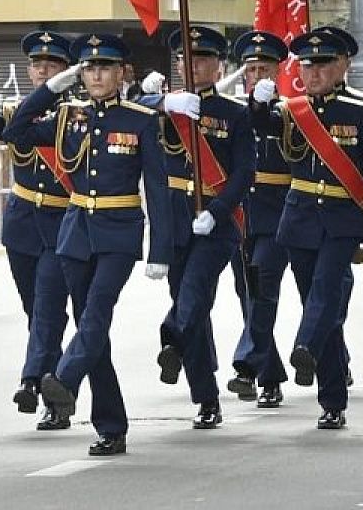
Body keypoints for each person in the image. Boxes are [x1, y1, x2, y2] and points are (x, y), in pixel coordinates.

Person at [2, 32, 174, 457]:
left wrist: (161, 251)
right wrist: (49, 90)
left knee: (95, 315)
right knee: (92, 331)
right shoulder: (69, 116)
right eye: (90, 68)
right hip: (75, 230)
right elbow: (16, 130)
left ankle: (64, 378)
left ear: (120, 73)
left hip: (118, 232)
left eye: (105, 68)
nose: (97, 75)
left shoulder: (139, 119)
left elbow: (157, 187)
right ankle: (111, 427)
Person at [249, 27, 363, 430]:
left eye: (323, 64)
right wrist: (258, 106)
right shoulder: (291, 109)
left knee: (326, 294)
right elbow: (262, 130)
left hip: (341, 219)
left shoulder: (358, 110)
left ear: (342, 66)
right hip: (298, 218)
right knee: (316, 301)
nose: (313, 72)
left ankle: (303, 346)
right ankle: (332, 401)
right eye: (307, 64)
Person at [141, 26, 256, 430]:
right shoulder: (165, 107)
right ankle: (205, 397)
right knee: (194, 309)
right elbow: (130, 109)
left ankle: (169, 335)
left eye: (204, 59)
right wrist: (160, 99)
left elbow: (244, 172)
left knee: (192, 297)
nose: (195, 66)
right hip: (175, 220)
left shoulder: (234, 113)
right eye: (186, 60)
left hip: (216, 222)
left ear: (218, 65)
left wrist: (220, 209)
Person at [0, 31, 74, 430]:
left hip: (62, 224)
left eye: (51, 65)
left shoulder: (76, 114)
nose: (42, 71)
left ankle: (31, 381)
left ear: (66, 70)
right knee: (36, 311)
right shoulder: (16, 111)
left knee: (46, 307)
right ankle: (57, 389)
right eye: (36, 65)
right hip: (23, 224)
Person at [225, 31, 291, 408]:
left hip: (278, 215)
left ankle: (249, 365)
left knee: (264, 287)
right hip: (241, 216)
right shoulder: (235, 114)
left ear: (278, 72)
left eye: (264, 69)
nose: (257, 76)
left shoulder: (291, 112)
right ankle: (269, 377)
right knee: (248, 295)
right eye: (251, 70)